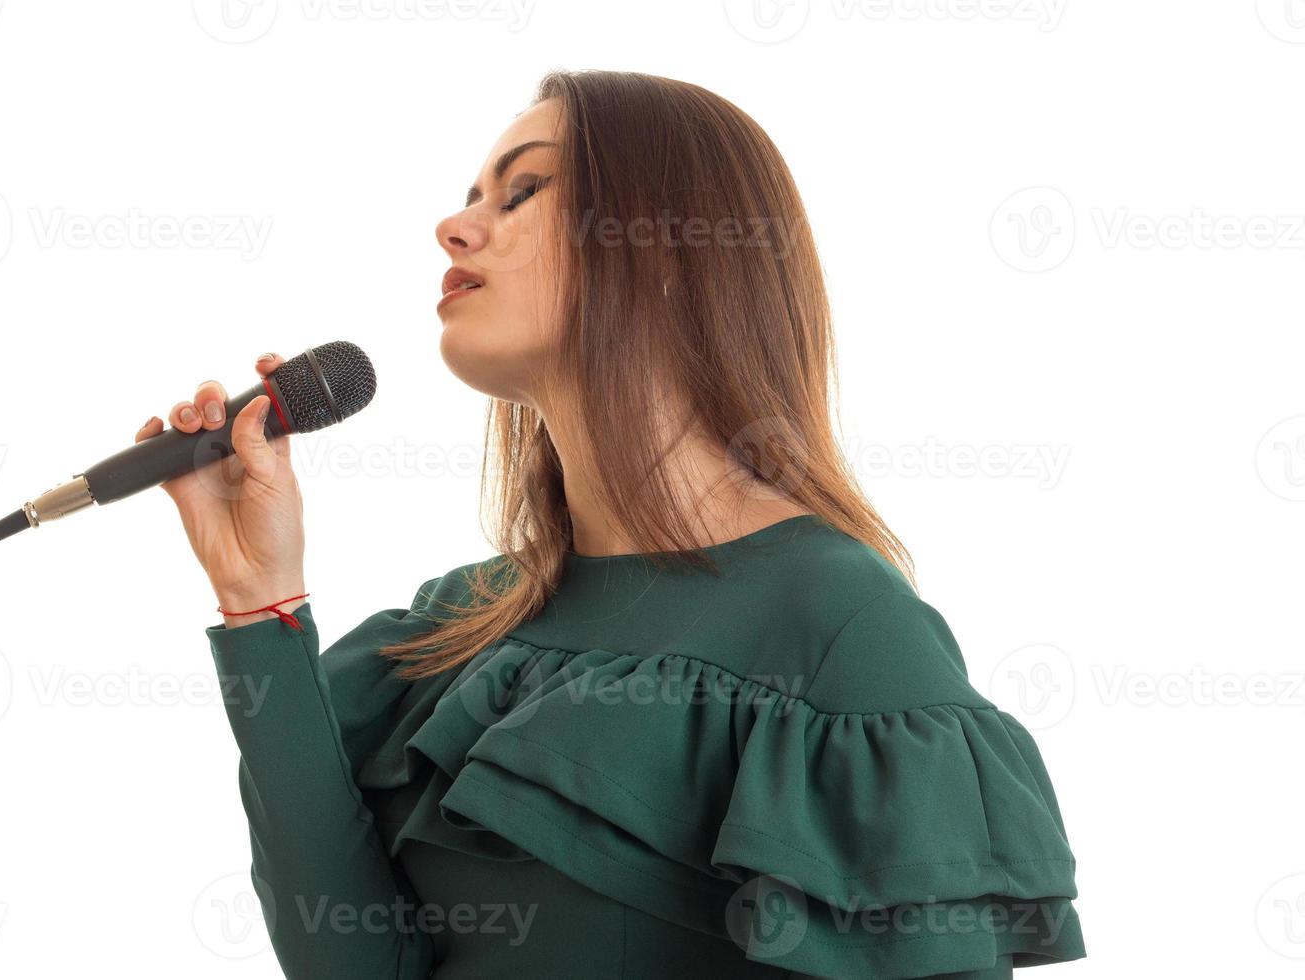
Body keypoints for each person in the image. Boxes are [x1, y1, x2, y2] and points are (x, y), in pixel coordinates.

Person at [135, 69, 1086, 980]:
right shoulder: (461, 624)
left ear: (671, 248)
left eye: (524, 191)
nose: (454, 226)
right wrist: (258, 601)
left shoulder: (843, 628)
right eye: (473, 195)